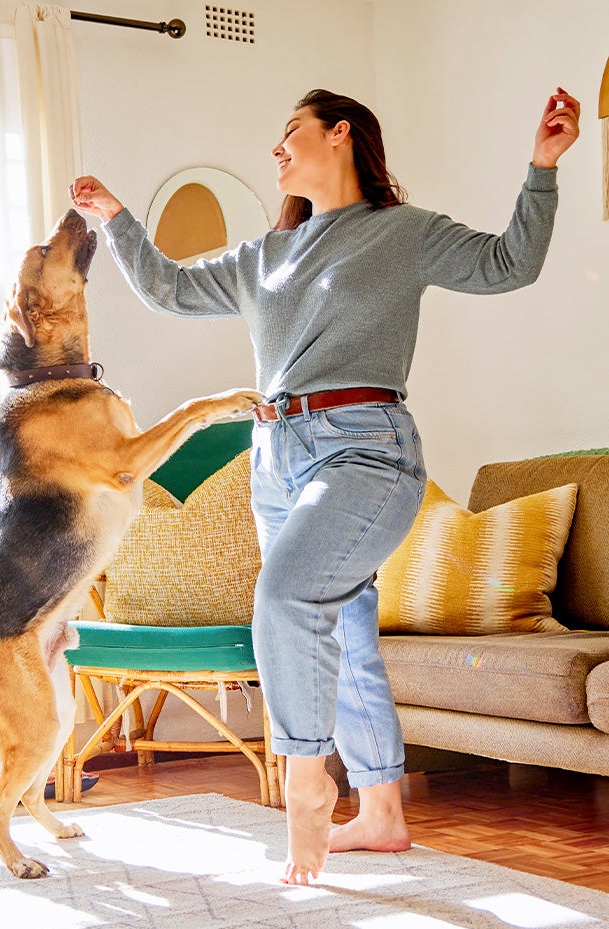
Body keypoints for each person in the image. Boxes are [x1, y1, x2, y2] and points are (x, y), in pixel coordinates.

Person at [69, 85, 580, 886]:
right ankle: (382, 814)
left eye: (290, 132)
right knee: (341, 633)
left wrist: (542, 166)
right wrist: (117, 219)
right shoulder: (264, 256)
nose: (276, 149)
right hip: (276, 458)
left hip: (364, 453)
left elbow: (509, 264)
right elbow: (168, 288)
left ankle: (307, 776)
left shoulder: (401, 233)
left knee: (284, 598)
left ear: (340, 135)